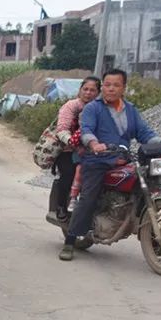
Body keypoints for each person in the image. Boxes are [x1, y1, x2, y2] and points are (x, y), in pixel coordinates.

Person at [59, 69, 161, 261]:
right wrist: (94, 144)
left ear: (124, 88)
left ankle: (156, 242)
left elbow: (144, 132)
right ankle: (70, 241)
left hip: (122, 159)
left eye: (116, 85)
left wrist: (160, 141)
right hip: (96, 160)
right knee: (88, 197)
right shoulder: (92, 108)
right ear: (102, 86)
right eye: (107, 85)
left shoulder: (130, 109)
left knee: (145, 188)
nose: (111, 89)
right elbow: (86, 130)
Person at [52, 76, 101, 218]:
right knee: (69, 173)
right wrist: (73, 143)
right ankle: (61, 206)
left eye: (92, 90)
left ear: (98, 92)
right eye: (85, 89)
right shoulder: (71, 106)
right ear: (80, 90)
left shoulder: (102, 108)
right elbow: (61, 129)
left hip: (94, 150)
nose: (88, 93)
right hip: (68, 150)